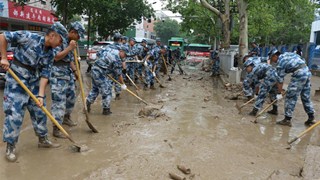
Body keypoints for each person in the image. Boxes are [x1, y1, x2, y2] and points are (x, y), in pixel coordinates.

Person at [0, 22, 66, 162]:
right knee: (14, 114)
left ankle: (43, 140)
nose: (60, 44)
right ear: (53, 35)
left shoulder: (50, 53)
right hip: (16, 81)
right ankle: (10, 146)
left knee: (40, 111)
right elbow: (3, 37)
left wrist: (41, 95)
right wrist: (4, 57)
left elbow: (45, 75)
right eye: (60, 40)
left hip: (34, 82)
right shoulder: (28, 37)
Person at [49, 21, 85, 138]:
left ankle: (66, 118)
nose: (79, 38)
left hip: (67, 73)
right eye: (78, 35)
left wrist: (75, 72)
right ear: (73, 32)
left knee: (71, 97)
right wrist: (69, 48)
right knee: (59, 102)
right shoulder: (59, 39)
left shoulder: (70, 42)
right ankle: (56, 128)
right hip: (57, 73)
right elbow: (56, 57)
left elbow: (69, 60)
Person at [269, 49, 316, 127]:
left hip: (299, 74)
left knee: (290, 97)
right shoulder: (288, 54)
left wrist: (279, 93)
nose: (272, 61)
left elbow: (280, 80)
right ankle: (311, 117)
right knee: (305, 97)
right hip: (307, 72)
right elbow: (301, 59)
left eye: (272, 58)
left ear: (275, 56)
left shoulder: (280, 63)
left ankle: (287, 120)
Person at [86, 46, 127, 115]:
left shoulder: (110, 49)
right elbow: (119, 74)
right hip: (100, 72)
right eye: (125, 55)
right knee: (107, 90)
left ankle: (88, 102)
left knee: (95, 89)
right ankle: (106, 109)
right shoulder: (117, 59)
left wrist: (103, 63)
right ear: (121, 51)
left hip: (94, 68)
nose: (124, 57)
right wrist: (122, 84)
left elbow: (98, 54)